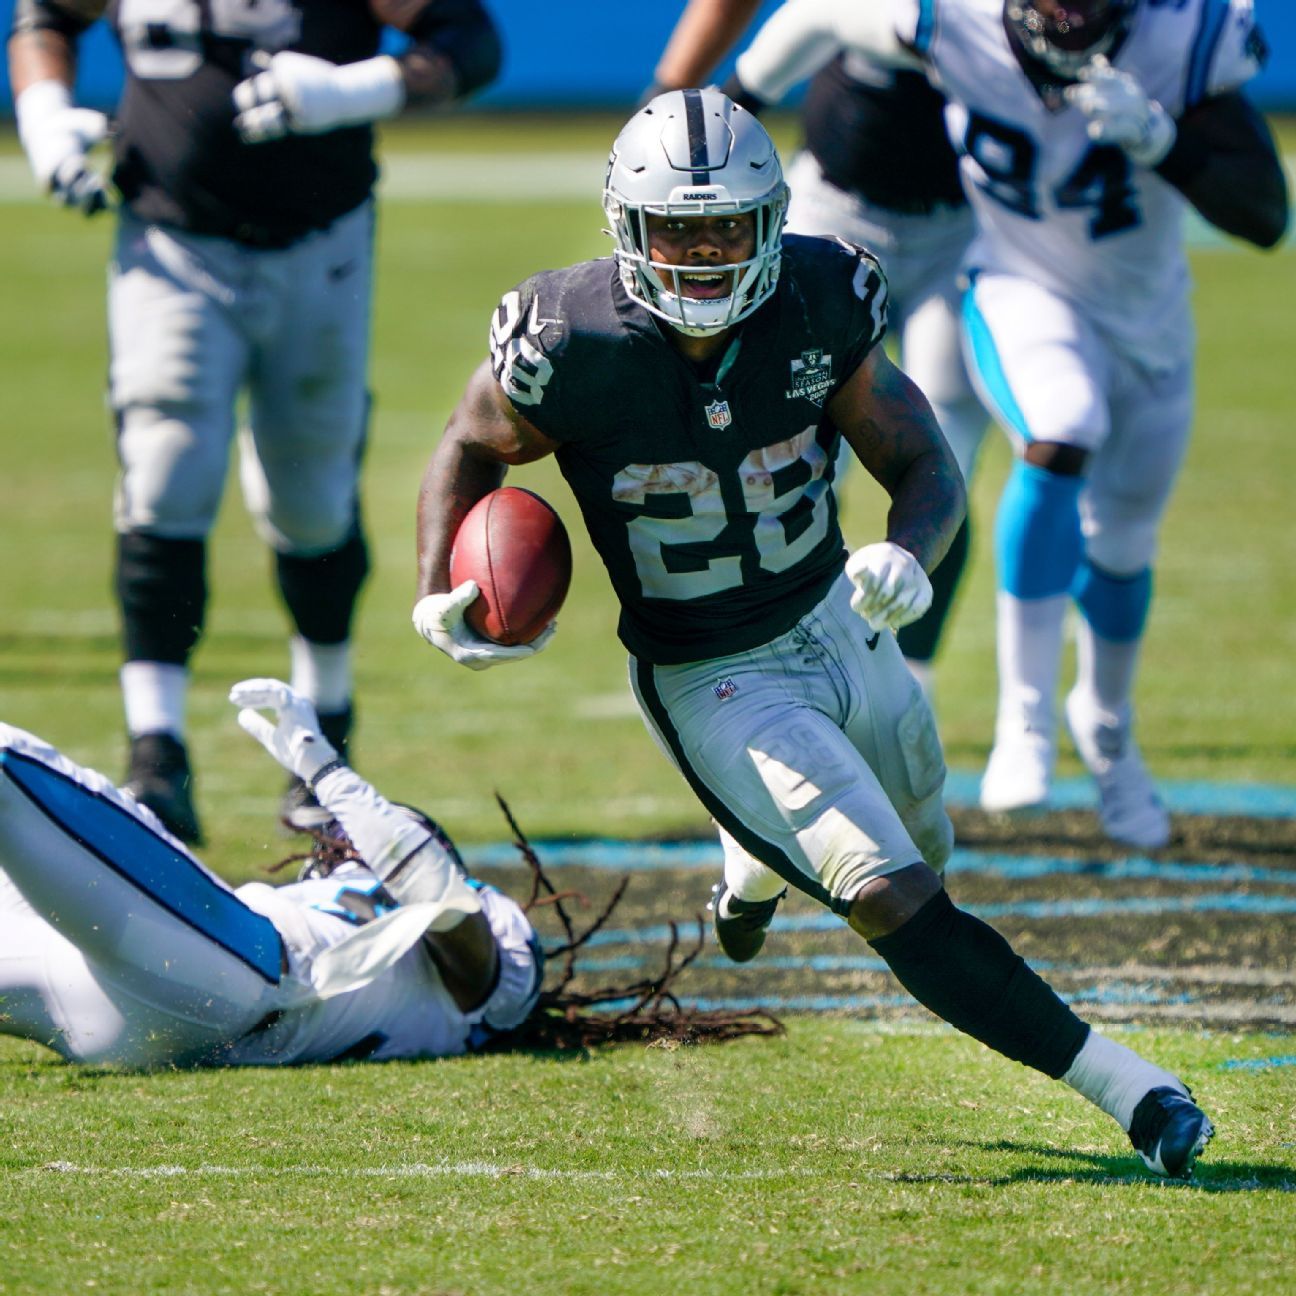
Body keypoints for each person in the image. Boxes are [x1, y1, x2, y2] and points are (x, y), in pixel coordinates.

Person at [411, 89, 1216, 1177]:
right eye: (675, 232)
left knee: (929, 855)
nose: (701, 258)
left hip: (837, 618)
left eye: (725, 230)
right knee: (895, 895)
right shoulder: (571, 339)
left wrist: (904, 553)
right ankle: (1136, 1093)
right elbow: (469, 444)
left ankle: (751, 856)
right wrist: (436, 587)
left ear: (772, 223)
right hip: (711, 673)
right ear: (625, 228)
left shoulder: (825, 293)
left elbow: (923, 458)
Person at [725, 0, 1289, 846]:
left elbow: (1265, 213)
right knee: (1051, 429)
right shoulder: (952, 19)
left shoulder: (1185, 35)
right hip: (1002, 277)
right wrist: (725, 104)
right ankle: (1007, 721)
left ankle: (1100, 728)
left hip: (1134, 310)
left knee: (1120, 538)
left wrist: (1164, 141)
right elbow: (820, 9)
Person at [8, 0, 504, 845]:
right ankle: (155, 752)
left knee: (309, 498)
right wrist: (44, 115)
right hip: (169, 240)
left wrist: (358, 90)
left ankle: (323, 737)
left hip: (320, 242)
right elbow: (44, 18)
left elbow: (467, 41)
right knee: (164, 474)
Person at [646, 0, 988, 699]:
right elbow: (812, 19)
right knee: (781, 445)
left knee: (942, 451)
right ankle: (762, 655)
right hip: (834, 209)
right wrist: (697, 102)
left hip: (967, 226)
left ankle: (906, 682)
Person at [0, 679, 543, 1067]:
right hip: (114, 989)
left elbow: (440, 900)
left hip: (220, 983)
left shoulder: (468, 938)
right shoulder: (318, 892)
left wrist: (331, 776)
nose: (348, 837)